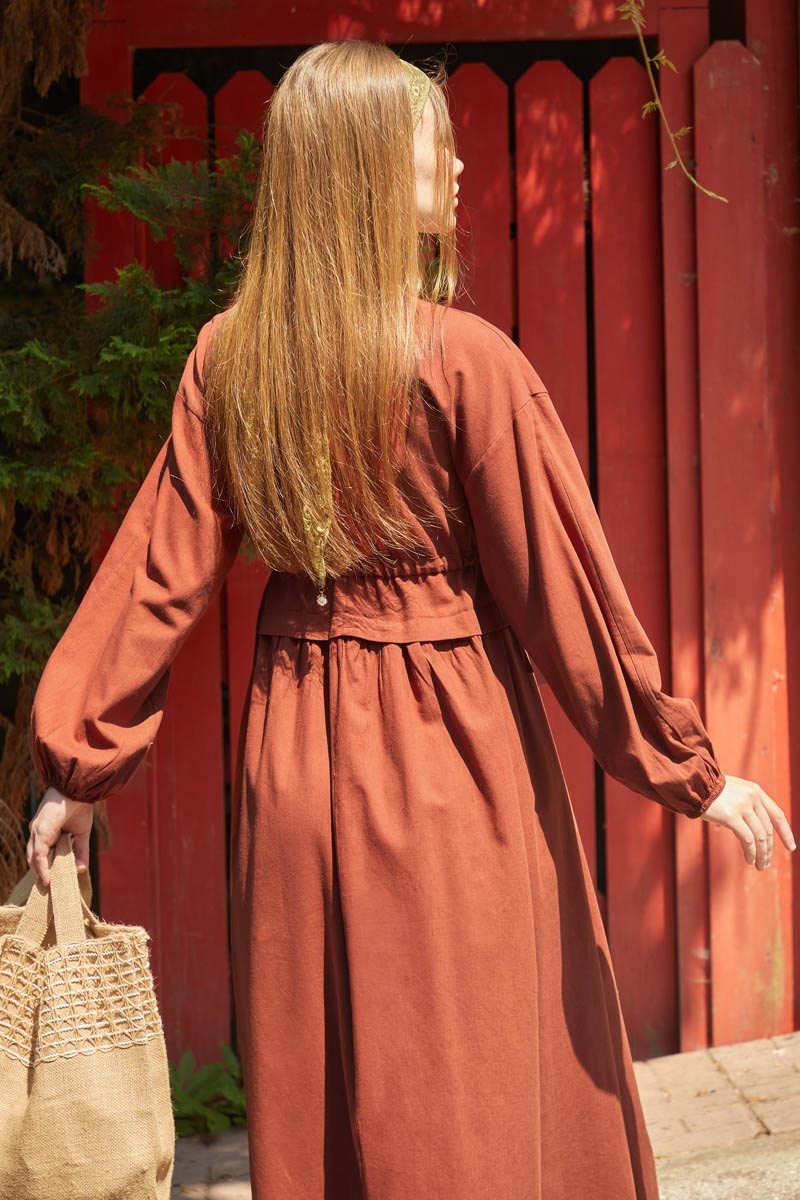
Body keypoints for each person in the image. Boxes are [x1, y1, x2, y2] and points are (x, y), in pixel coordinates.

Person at [26, 40, 795, 1200]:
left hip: (292, 759)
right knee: (464, 1082)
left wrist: (77, 773)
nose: (459, 166)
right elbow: (567, 599)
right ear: (371, 172)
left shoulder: (230, 361)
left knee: (333, 1080)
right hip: (453, 767)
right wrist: (689, 771)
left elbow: (153, 576)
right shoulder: (464, 364)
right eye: (434, 146)